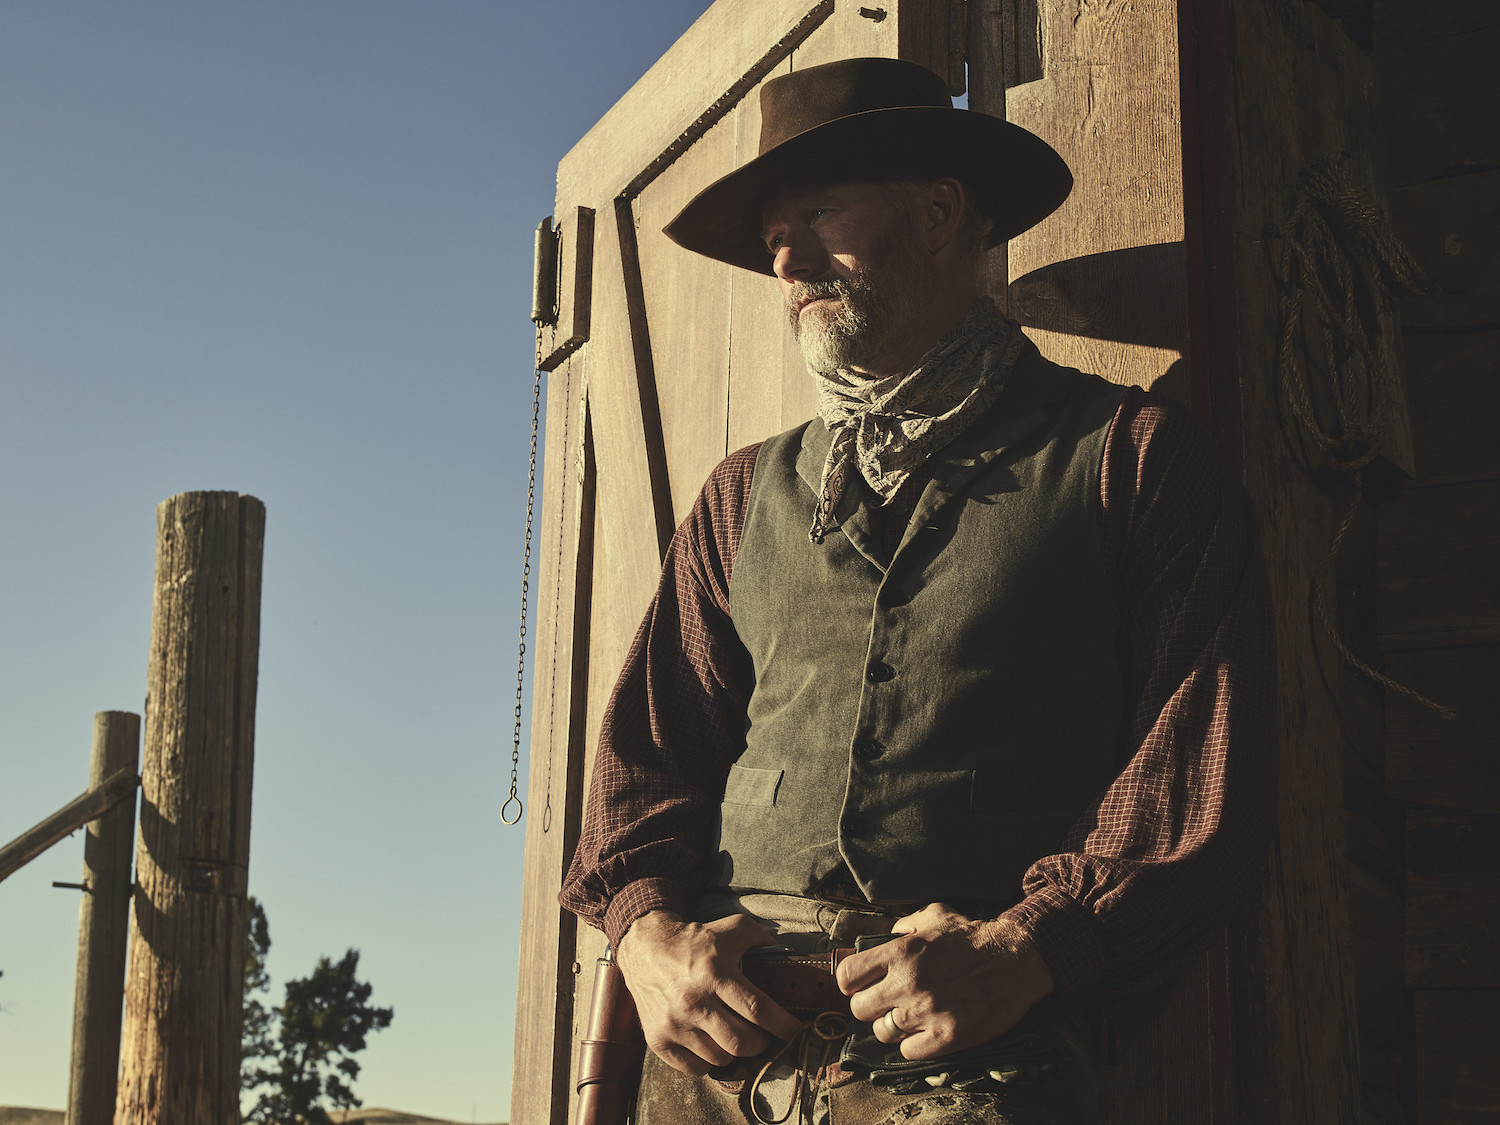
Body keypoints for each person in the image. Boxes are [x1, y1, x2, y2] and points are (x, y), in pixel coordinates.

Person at [559, 56, 1274, 1125]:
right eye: (772, 240)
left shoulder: (1133, 460)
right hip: (712, 1067)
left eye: (819, 216)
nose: (787, 259)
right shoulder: (738, 497)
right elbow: (643, 766)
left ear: (942, 212)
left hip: (969, 1059)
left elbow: (1193, 779)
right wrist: (647, 936)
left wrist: (1026, 951)